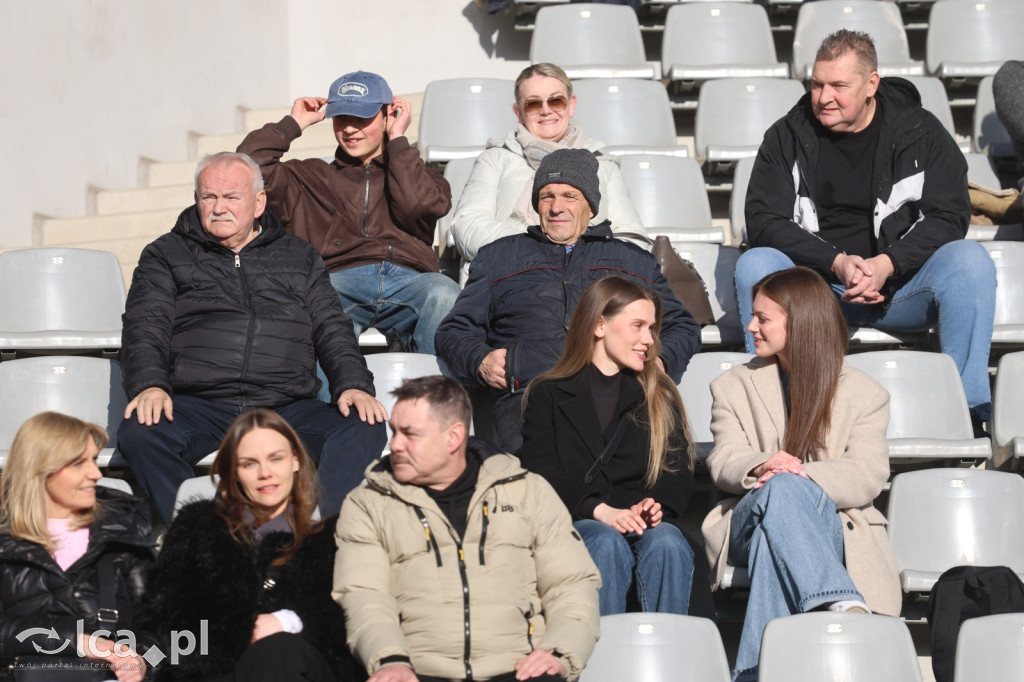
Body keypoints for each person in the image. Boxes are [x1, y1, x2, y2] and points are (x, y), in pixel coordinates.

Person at [737, 29, 996, 430]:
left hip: (902, 289)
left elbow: (950, 215)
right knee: (756, 264)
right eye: (817, 84)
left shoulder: (921, 132)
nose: (824, 97)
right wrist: (836, 262)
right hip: (817, 295)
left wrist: (887, 264)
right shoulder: (786, 135)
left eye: (839, 86)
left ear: (871, 84)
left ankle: (967, 412)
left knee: (971, 261)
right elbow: (762, 220)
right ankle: (768, 413)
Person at [118, 151, 387, 525]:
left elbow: (331, 326)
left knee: (364, 424)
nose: (218, 208)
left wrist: (352, 384)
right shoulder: (164, 254)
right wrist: (150, 384)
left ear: (259, 203)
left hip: (285, 404)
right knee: (140, 434)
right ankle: (203, 537)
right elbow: (145, 326)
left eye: (231, 197)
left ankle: (320, 535)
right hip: (200, 404)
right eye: (208, 197)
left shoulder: (299, 256)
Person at [702, 267, 901, 682]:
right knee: (781, 492)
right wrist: (763, 465)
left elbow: (868, 474)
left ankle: (755, 673)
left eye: (763, 318)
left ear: (800, 322)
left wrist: (798, 474)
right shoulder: (732, 386)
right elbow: (723, 460)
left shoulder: (864, 393)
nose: (751, 326)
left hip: (830, 525)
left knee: (774, 542)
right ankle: (839, 599)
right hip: (746, 517)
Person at [334, 376, 601, 682]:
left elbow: (571, 584)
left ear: (453, 437)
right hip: (417, 672)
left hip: (520, 669)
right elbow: (365, 596)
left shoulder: (528, 491)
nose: (394, 445)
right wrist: (389, 659)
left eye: (410, 434)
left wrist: (558, 652)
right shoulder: (368, 503)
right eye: (394, 432)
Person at [436, 148, 700, 453]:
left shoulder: (632, 261)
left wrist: (660, 359)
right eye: (547, 196)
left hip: (621, 393)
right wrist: (479, 359)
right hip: (530, 398)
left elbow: (683, 326)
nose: (556, 207)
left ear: (591, 206)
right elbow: (454, 331)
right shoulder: (498, 257)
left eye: (569, 196)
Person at [521, 276, 712, 618]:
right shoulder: (547, 393)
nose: (649, 339)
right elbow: (541, 473)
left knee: (668, 540)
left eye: (652, 328)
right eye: (638, 325)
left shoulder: (660, 395)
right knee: (603, 541)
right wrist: (597, 510)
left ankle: (669, 660)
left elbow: (677, 471)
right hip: (578, 521)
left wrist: (655, 507)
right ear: (599, 326)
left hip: (644, 527)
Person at [237, 70, 460, 357]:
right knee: (313, 301)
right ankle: (327, 403)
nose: (350, 129)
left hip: (412, 279)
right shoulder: (307, 176)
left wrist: (398, 139)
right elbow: (245, 168)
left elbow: (419, 206)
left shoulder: (421, 175)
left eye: (362, 118)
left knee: (445, 293)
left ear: (386, 115)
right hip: (337, 279)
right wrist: (293, 123)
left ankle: (434, 399)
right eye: (343, 118)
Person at [140, 409, 365, 682]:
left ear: (295, 461)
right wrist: (141, 661)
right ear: (234, 471)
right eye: (249, 464)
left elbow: (351, 617)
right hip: (215, 673)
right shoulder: (197, 528)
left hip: (298, 669)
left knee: (278, 650)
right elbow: (161, 622)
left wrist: (289, 621)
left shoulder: (328, 539)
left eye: (276, 458)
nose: (265, 473)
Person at [0, 412, 153, 682]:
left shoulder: (124, 532)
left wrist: (143, 661)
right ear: (38, 469)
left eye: (94, 460)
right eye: (78, 463)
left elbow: (168, 632)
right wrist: (78, 642)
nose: (95, 474)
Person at [451, 62, 645, 271]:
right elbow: (467, 225)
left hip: (588, 281)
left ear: (571, 105)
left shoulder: (603, 165)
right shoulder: (495, 159)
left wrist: (579, 255)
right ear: (518, 112)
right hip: (511, 274)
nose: (545, 110)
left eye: (556, 100)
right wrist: (537, 248)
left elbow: (632, 238)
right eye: (533, 104)